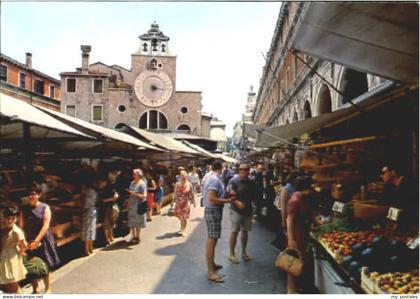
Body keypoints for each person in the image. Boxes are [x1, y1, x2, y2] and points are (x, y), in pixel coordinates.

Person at [19, 187, 60, 293]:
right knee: (32, 265)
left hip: (43, 239)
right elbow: (21, 226)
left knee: (45, 263)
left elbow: (45, 226)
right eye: (29, 194)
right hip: (29, 240)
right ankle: (35, 288)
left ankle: (47, 288)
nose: (31, 196)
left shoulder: (45, 207)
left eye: (33, 194)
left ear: (39, 195)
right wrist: (23, 241)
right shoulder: (23, 209)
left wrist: (37, 241)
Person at [203, 161, 235, 283]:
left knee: (214, 238)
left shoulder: (212, 178)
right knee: (211, 240)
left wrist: (225, 195)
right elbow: (211, 198)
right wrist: (227, 200)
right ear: (221, 168)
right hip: (213, 211)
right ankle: (211, 272)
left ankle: (212, 264)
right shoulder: (215, 180)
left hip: (213, 211)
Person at [286, 176, 315, 294]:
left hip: (302, 232)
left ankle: (295, 286)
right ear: (305, 187)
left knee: (299, 259)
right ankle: (290, 289)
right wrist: (291, 239)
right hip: (296, 233)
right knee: (293, 260)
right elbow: (290, 220)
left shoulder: (301, 198)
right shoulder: (295, 200)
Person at [227, 163, 256, 264]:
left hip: (247, 210)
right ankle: (231, 254)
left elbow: (254, 195)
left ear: (249, 171)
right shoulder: (233, 181)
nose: (242, 171)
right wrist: (236, 202)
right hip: (235, 210)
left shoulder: (251, 182)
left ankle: (243, 252)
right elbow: (228, 195)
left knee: (245, 231)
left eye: (245, 169)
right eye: (240, 169)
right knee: (234, 231)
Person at [0, 207, 27, 294]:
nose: (10, 221)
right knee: (6, 285)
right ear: (4, 218)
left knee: (12, 284)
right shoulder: (3, 227)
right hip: (3, 257)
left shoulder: (16, 231)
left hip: (10, 259)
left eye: (13, 219)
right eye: (8, 218)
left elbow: (24, 244)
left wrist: (21, 252)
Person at [126, 169, 147, 244]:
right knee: (132, 221)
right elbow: (129, 195)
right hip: (132, 204)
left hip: (138, 205)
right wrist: (128, 204)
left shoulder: (142, 184)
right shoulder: (132, 183)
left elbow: (144, 196)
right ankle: (133, 236)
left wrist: (134, 194)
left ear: (139, 175)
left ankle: (138, 237)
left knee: (138, 222)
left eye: (134, 174)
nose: (133, 175)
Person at [172, 170, 195, 236]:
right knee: (181, 217)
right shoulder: (177, 184)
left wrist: (194, 202)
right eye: (181, 175)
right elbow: (175, 193)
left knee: (184, 217)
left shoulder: (189, 184)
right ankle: (182, 228)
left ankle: (183, 230)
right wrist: (172, 201)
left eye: (184, 175)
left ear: (186, 176)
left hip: (186, 203)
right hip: (179, 203)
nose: (183, 176)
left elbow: (191, 193)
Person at [98, 177, 119, 245]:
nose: (100, 183)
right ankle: (107, 239)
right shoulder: (100, 190)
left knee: (111, 222)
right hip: (104, 208)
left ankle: (111, 237)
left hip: (110, 207)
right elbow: (102, 200)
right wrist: (111, 199)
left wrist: (115, 196)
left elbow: (116, 194)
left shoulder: (109, 188)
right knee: (106, 224)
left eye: (102, 182)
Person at [80, 179, 98, 256]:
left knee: (87, 230)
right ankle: (90, 248)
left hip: (89, 212)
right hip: (93, 211)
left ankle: (86, 250)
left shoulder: (88, 193)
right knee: (92, 230)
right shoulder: (94, 191)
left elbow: (86, 205)